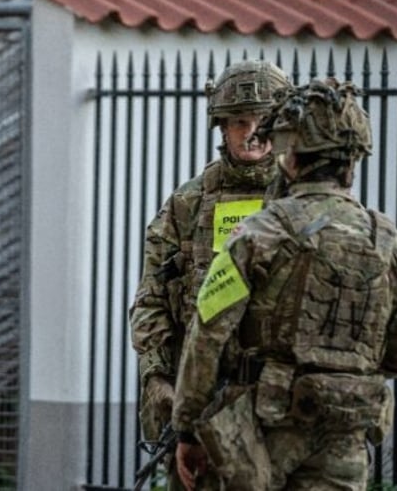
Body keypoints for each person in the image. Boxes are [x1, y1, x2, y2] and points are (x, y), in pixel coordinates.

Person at [172, 79, 397, 490]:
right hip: (345, 436)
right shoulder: (389, 242)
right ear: (353, 158)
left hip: (261, 437)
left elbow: (207, 336)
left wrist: (188, 429)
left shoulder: (257, 236)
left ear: (289, 157)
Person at [129, 59, 290, 489]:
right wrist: (158, 378)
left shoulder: (298, 201)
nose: (251, 131)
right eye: (239, 121)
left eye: (262, 120)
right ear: (221, 126)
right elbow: (151, 300)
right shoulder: (189, 203)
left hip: (279, 409)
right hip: (200, 407)